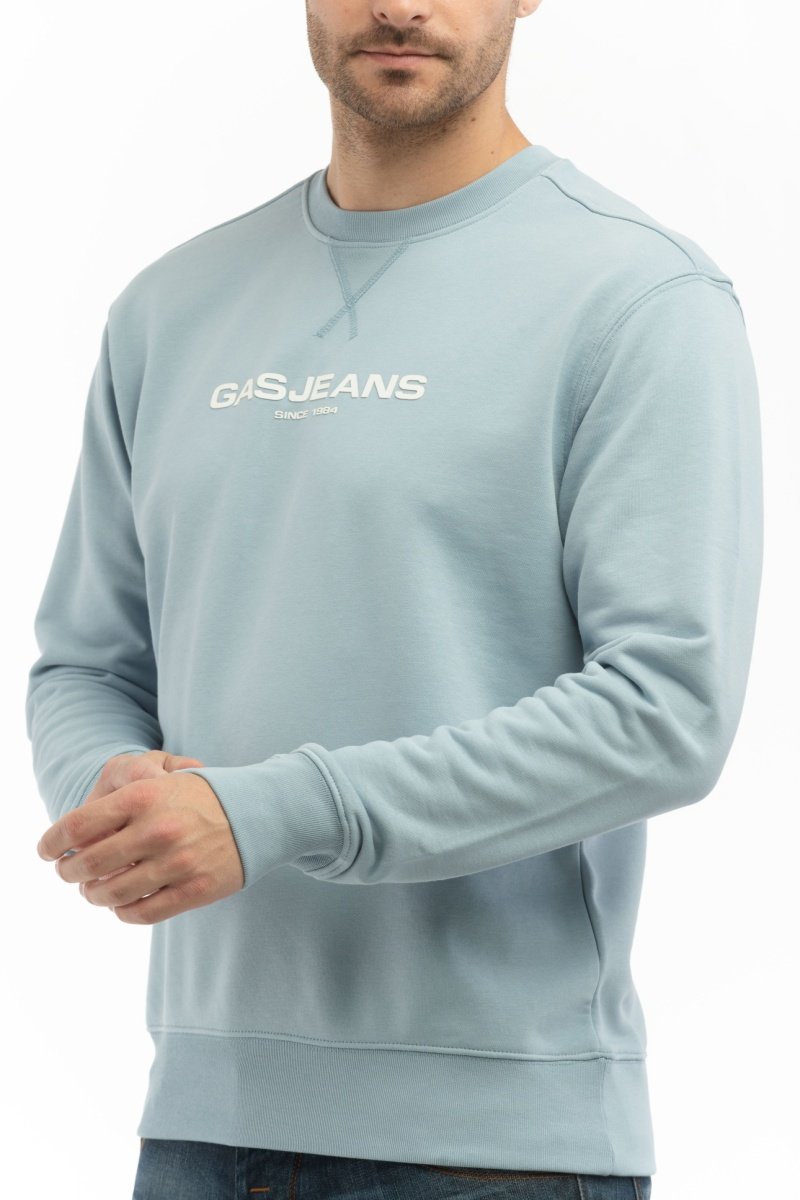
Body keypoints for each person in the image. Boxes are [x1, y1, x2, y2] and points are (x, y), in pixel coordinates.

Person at [26, 0, 763, 1197]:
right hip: (197, 1120)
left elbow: (664, 713)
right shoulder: (171, 305)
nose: (400, 5)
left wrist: (271, 810)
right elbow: (87, 664)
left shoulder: (638, 295)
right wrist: (113, 802)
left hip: (495, 1151)